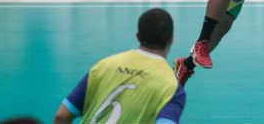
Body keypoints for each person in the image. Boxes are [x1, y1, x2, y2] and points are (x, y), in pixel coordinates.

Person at [53, 8, 185, 124]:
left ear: (138, 37)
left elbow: (61, 116)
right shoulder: (171, 87)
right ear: (171, 38)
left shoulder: (103, 66)